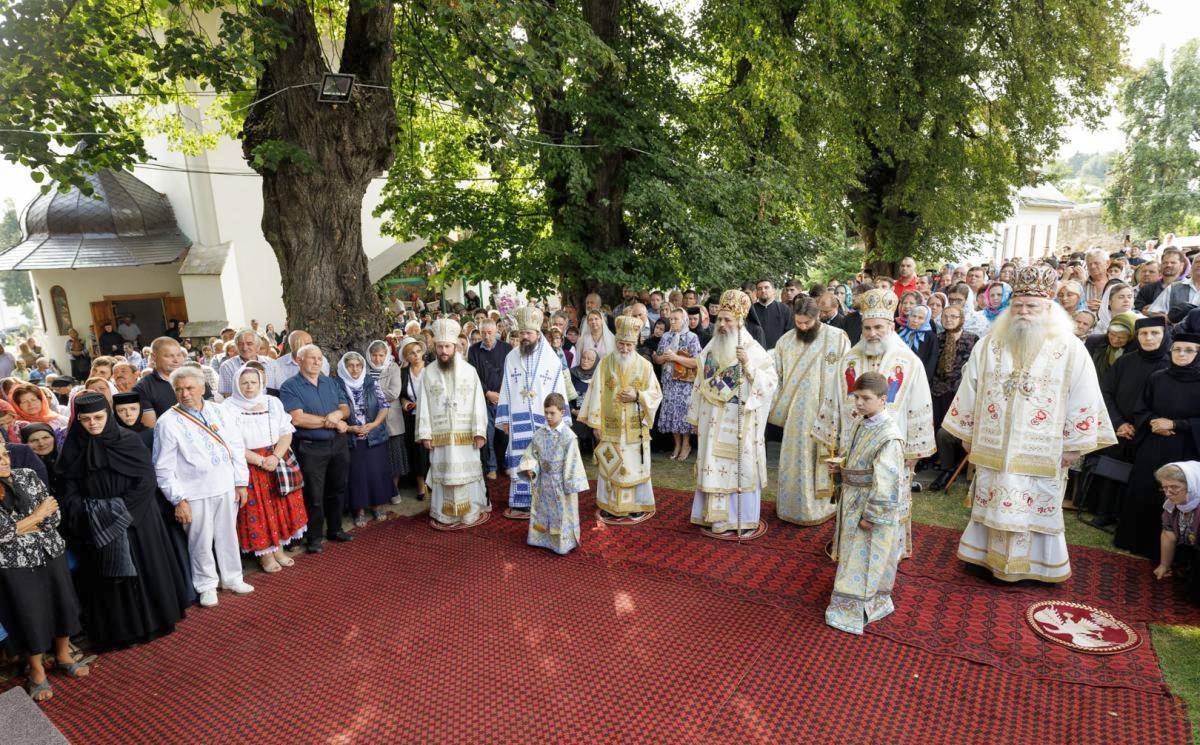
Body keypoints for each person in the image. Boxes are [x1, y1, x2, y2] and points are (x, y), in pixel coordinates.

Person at [943, 264, 1116, 583]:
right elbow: (971, 388)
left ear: (1048, 308)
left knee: (1035, 507)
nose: (1024, 312)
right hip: (995, 446)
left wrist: (1073, 446)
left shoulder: (1071, 348)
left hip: (1045, 451)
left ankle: (1036, 568)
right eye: (1018, 306)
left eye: (1032, 306)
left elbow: (1084, 395)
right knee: (994, 498)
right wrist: (967, 433)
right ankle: (984, 559)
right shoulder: (990, 344)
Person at [56, 393, 191, 649]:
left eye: (98, 417)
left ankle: (156, 622)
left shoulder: (128, 440)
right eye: (85, 420)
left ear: (108, 415)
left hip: (137, 519)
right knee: (108, 580)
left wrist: (122, 513)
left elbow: (146, 479)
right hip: (97, 523)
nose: (93, 424)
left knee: (145, 568)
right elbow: (67, 490)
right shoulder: (73, 448)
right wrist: (91, 513)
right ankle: (122, 632)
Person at [813, 288, 935, 556]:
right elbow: (834, 398)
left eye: (878, 327)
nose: (872, 333)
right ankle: (848, 545)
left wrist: (915, 451)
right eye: (867, 328)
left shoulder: (909, 362)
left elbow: (919, 406)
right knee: (853, 496)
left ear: (890, 326)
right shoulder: (850, 359)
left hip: (892, 446)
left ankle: (888, 550)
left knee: (888, 494)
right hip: (853, 444)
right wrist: (831, 439)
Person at [153, 367, 255, 607]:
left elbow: (236, 448)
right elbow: (163, 467)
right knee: (199, 540)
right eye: (179, 389)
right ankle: (206, 585)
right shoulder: (167, 422)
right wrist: (178, 499)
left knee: (228, 535)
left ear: (202, 388)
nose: (185, 394)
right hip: (194, 492)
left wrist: (241, 482)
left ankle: (232, 577)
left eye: (189, 388)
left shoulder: (220, 411)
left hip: (226, 485)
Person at [0, 443, 89, 703]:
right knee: (29, 614)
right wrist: (35, 516)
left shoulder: (26, 474)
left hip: (50, 552)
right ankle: (37, 672)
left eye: (4, 453)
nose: (5, 460)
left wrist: (20, 526)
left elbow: (54, 516)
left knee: (62, 603)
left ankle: (62, 656)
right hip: (13, 565)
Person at [687, 290, 778, 537]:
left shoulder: (752, 348)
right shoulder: (710, 348)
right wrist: (695, 417)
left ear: (739, 321)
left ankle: (741, 519)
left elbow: (770, 383)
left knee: (739, 468)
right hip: (712, 419)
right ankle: (714, 517)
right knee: (712, 464)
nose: (724, 324)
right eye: (721, 320)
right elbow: (699, 383)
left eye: (729, 320)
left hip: (740, 421)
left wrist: (748, 364)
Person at [824, 373, 907, 634]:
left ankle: (856, 608)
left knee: (866, 556)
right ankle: (853, 600)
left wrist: (872, 515)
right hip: (853, 498)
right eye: (856, 397)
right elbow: (857, 456)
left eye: (865, 398)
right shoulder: (864, 422)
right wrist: (841, 468)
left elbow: (888, 480)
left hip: (869, 506)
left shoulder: (889, 436)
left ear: (883, 399)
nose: (858, 403)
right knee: (852, 554)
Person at [1114, 333, 1200, 560]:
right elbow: (1141, 407)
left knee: (1175, 495)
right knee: (1144, 489)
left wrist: (1176, 424)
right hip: (1153, 445)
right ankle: (1134, 541)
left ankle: (1171, 552)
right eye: (1177, 349)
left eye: (1189, 350)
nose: (1181, 354)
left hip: (1187, 449)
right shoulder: (1158, 377)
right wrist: (1153, 422)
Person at [768, 297, 850, 526]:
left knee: (820, 461)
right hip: (795, 417)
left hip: (826, 413)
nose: (802, 327)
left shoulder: (836, 338)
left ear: (818, 317)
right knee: (796, 461)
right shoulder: (785, 342)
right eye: (798, 323)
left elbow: (846, 377)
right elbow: (775, 376)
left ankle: (822, 508)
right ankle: (791, 506)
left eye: (807, 323)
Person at [1086, 317, 1170, 528]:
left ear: (1164, 335)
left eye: (1154, 333)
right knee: (1112, 471)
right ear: (1137, 336)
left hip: (1149, 433)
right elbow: (1105, 391)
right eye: (1143, 333)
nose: (1149, 338)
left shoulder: (1170, 364)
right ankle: (1104, 512)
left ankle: (1126, 519)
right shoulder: (1126, 361)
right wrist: (1118, 423)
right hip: (1121, 428)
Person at [222, 366, 307, 572]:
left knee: (278, 506)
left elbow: (286, 432)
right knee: (258, 510)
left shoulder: (273, 402)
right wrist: (260, 461)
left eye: (254, 382)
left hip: (276, 459)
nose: (249, 386)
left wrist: (276, 456)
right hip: (249, 464)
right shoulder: (228, 407)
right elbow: (230, 443)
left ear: (261, 383)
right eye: (245, 383)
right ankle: (265, 555)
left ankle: (278, 549)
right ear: (236, 385)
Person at [578, 316, 663, 521]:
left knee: (634, 465)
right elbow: (596, 392)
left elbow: (655, 394)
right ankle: (610, 504)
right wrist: (596, 423)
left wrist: (638, 396)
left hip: (635, 427)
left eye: (629, 344)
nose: (624, 348)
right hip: (611, 425)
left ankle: (636, 504)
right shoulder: (605, 364)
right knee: (612, 464)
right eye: (621, 344)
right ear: (616, 343)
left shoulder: (644, 366)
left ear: (635, 344)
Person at [497, 306, 570, 518]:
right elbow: (506, 388)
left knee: (543, 462)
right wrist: (505, 419)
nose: (525, 337)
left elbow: (559, 391)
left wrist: (559, 422)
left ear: (538, 334)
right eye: (522, 333)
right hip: (518, 418)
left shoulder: (552, 359)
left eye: (529, 333)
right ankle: (521, 503)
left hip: (543, 420)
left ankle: (543, 501)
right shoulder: (511, 358)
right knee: (521, 460)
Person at [416, 319, 490, 527]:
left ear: (455, 347)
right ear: (435, 347)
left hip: (466, 436)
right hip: (440, 437)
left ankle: (470, 512)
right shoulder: (428, 372)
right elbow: (423, 405)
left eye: (447, 346)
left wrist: (479, 432)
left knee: (467, 475)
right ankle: (444, 514)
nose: (443, 351)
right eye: (440, 346)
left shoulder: (469, 371)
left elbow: (478, 403)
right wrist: (425, 434)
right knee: (444, 475)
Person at [280, 345, 353, 554]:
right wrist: (329, 420)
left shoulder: (330, 382)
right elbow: (297, 418)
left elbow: (345, 408)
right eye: (311, 358)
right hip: (312, 448)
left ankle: (336, 529)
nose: (316, 362)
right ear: (299, 361)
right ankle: (314, 537)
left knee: (338, 488)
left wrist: (338, 416)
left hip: (337, 444)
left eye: (319, 358)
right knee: (314, 494)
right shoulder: (290, 386)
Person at [519, 393, 589, 555]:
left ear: (562, 412)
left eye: (552, 413)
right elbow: (531, 454)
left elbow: (573, 462)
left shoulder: (568, 437)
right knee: (542, 510)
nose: (548, 417)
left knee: (561, 513)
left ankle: (562, 543)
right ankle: (540, 538)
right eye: (546, 413)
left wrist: (569, 485)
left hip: (560, 483)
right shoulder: (540, 433)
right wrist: (531, 467)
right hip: (543, 482)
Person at [337, 352, 393, 527]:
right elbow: (334, 410)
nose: (354, 369)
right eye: (350, 365)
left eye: (358, 365)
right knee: (357, 475)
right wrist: (351, 428)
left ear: (363, 367)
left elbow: (384, 406)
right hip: (351, 436)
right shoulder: (337, 384)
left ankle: (376, 506)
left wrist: (373, 424)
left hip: (373, 435)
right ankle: (358, 509)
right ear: (344, 367)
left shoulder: (371, 382)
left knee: (376, 473)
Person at [928, 305, 979, 491]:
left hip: (960, 391)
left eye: (953, 316)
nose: (949, 319)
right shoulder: (937, 338)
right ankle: (940, 461)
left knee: (951, 430)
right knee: (937, 427)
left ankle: (951, 466)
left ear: (962, 318)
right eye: (945, 316)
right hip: (938, 390)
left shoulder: (972, 339)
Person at [653, 307, 702, 461]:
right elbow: (658, 359)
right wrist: (665, 358)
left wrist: (675, 357)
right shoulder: (666, 336)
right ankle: (677, 444)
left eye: (676, 319)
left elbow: (697, 362)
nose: (672, 321)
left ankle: (686, 444)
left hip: (685, 383)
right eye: (671, 319)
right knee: (672, 413)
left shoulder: (692, 337)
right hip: (668, 381)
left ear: (684, 320)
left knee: (683, 414)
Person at [368, 340, 409, 501]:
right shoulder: (365, 369)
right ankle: (380, 490)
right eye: (374, 355)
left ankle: (394, 490)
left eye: (381, 355)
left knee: (394, 457)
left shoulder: (393, 367)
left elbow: (394, 393)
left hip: (392, 419)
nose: (377, 359)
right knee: (378, 458)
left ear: (386, 355)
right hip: (372, 418)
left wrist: (371, 392)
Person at [1153, 462, 1200, 585]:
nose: (1168, 493)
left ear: (1192, 485)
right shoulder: (1172, 501)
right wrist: (1164, 565)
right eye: (1165, 487)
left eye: (1174, 487)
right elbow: (1168, 534)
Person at [217, 329, 272, 398]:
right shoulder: (227, 366)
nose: (245, 348)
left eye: (249, 344)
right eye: (240, 344)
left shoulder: (271, 363)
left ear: (258, 346)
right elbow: (228, 395)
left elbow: (279, 389)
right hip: (241, 407)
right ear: (236, 346)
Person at [746, 279, 791, 349]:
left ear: (773, 290)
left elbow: (789, 334)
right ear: (756, 292)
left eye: (766, 287)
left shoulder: (785, 309)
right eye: (759, 289)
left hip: (778, 352)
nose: (763, 290)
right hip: (756, 352)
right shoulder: (750, 310)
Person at [896, 304, 939, 378]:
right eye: (913, 316)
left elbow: (931, 361)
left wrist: (924, 379)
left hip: (917, 375)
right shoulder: (901, 332)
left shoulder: (931, 337)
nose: (915, 320)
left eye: (920, 318)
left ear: (926, 320)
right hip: (897, 371)